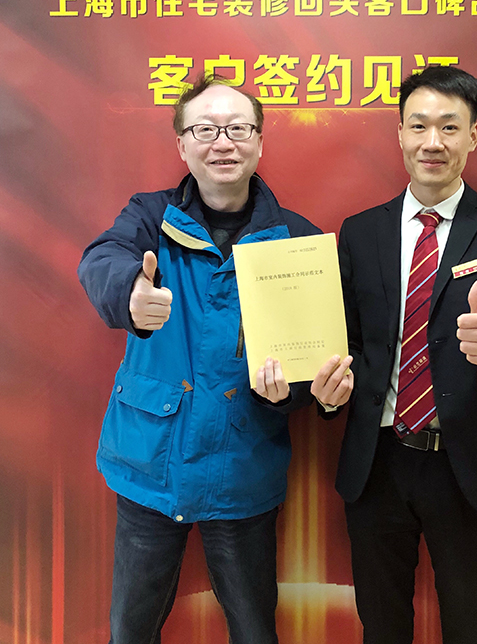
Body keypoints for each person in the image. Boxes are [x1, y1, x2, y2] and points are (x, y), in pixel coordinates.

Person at [77, 73, 349, 644]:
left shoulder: (296, 240)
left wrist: (297, 395)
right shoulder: (149, 216)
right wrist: (130, 292)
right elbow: (102, 258)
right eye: (205, 129)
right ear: (182, 145)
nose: (222, 142)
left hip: (243, 469)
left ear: (259, 141)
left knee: (254, 628)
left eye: (237, 128)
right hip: (151, 465)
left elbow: (313, 359)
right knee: (130, 630)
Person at [323, 65, 477, 643]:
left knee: (471, 624)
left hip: (467, 458)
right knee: (382, 624)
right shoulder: (360, 232)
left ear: (473, 136)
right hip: (377, 460)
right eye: (419, 125)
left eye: (449, 127)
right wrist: (326, 389)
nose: (432, 142)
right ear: (399, 132)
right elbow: (346, 341)